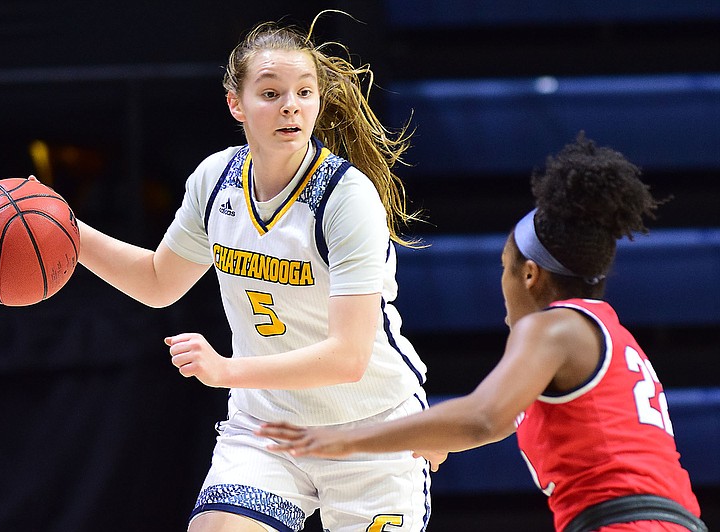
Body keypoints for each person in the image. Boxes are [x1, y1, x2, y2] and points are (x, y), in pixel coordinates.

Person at [75, 11, 432, 532]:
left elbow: (349, 357)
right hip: (269, 427)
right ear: (235, 104)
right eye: (271, 93)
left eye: (304, 91)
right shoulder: (215, 180)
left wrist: (225, 370)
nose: (291, 105)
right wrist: (69, 233)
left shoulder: (345, 197)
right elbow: (158, 282)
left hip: (369, 428)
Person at [259, 133, 707, 532]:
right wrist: (421, 440)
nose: (503, 282)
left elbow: (481, 417)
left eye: (504, 269)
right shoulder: (606, 333)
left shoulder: (554, 327)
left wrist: (344, 439)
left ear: (529, 275)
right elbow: (486, 425)